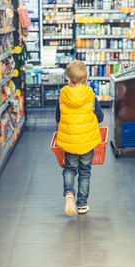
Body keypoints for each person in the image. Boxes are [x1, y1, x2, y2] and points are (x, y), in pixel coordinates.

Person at [56, 60, 104, 216]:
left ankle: (69, 193)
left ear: (68, 80)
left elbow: (58, 117)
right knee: (85, 172)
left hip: (70, 142)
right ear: (86, 79)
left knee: (70, 169)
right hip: (87, 143)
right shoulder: (90, 95)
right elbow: (101, 117)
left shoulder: (63, 94)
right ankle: (82, 204)